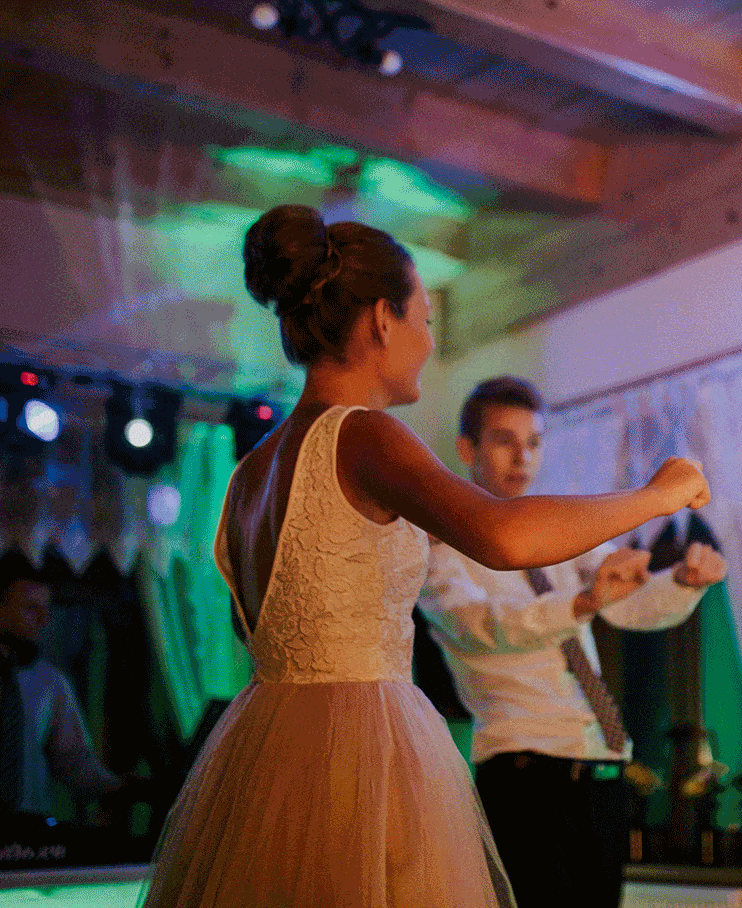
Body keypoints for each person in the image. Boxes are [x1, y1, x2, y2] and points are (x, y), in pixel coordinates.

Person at [139, 205, 710, 908]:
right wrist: (657, 495)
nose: (429, 343)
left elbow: (252, 623)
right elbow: (503, 537)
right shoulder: (364, 435)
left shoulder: (250, 473)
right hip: (361, 750)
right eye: (426, 320)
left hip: (270, 755)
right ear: (384, 319)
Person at [416, 376, 728, 908]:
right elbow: (484, 627)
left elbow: (627, 603)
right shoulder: (442, 547)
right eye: (504, 440)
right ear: (467, 449)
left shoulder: (555, 531)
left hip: (602, 771)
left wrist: (683, 583)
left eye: (534, 442)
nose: (522, 457)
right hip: (524, 777)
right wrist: (583, 602)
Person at [0, 560, 125, 819]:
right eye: (30, 608)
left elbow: (72, 760)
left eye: (46, 609)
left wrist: (121, 788)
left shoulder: (50, 682)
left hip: (29, 828)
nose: (44, 620)